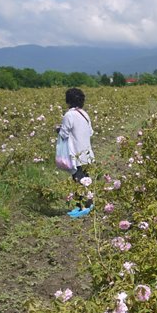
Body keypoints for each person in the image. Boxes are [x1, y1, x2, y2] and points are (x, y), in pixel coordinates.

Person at [58, 87, 95, 218]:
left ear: (68, 101)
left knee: (78, 179)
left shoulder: (69, 115)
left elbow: (63, 134)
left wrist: (58, 130)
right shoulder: (85, 114)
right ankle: (84, 205)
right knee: (85, 178)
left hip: (76, 153)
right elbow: (90, 132)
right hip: (87, 153)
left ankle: (84, 206)